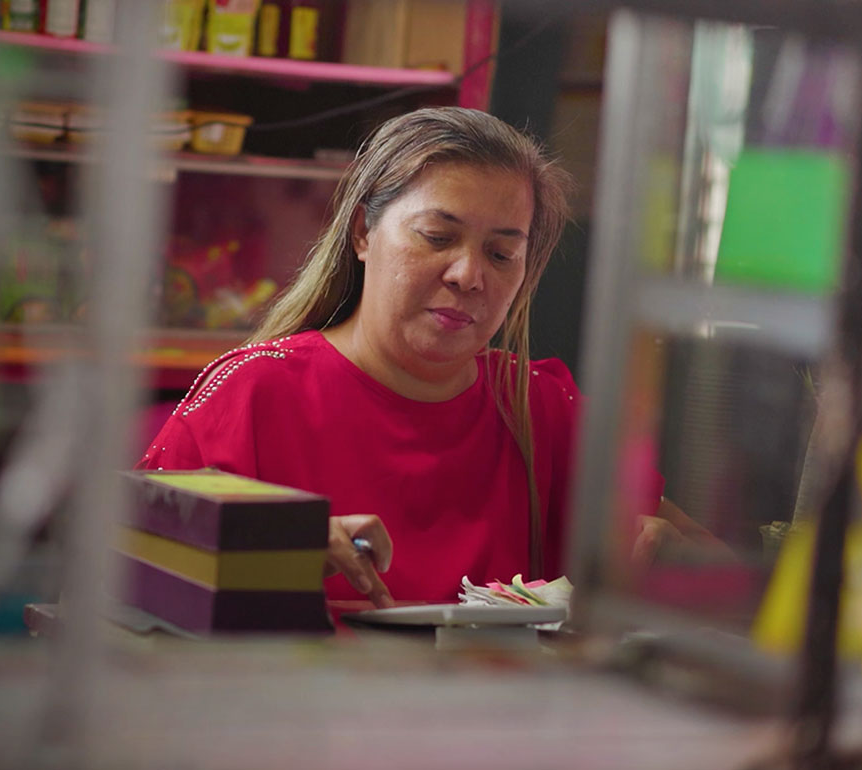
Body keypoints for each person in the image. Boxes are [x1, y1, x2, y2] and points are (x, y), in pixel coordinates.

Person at [138, 107, 718, 608]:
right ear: (363, 232)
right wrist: (271, 552)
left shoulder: (547, 410)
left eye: (500, 253)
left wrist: (673, 562)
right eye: (437, 238)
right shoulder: (252, 391)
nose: (469, 276)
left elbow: (716, 569)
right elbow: (130, 573)